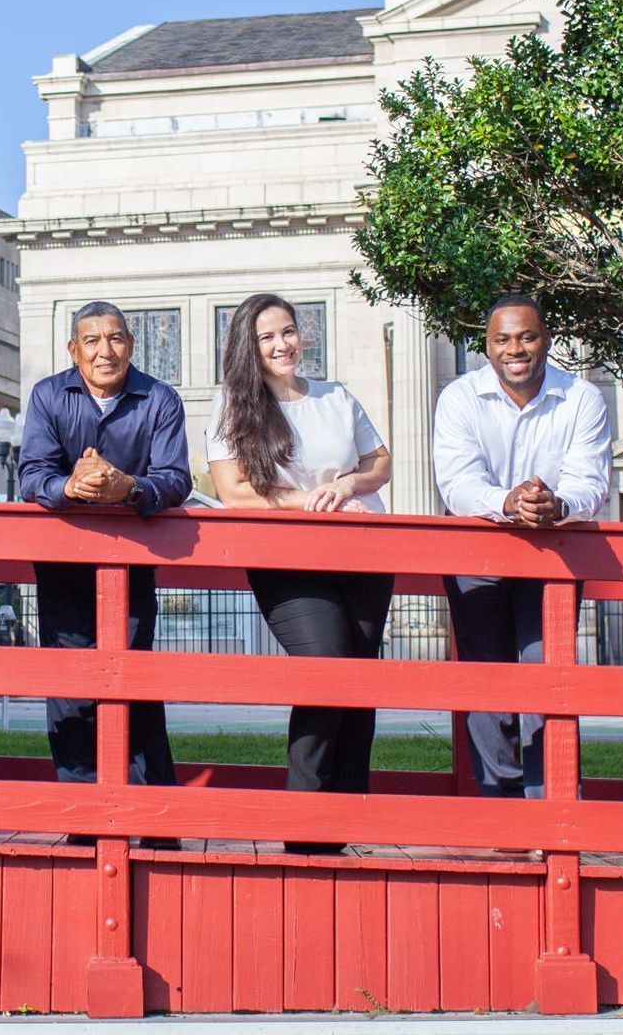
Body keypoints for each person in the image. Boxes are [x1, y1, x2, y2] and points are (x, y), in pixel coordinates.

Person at [206, 293, 393, 853]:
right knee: (326, 669)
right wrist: (307, 499)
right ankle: (305, 824)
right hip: (287, 560)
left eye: (288, 331)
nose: (283, 344)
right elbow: (234, 492)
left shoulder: (336, 396)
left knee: (359, 682)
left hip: (363, 552)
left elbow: (379, 461)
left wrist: (348, 486)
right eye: (267, 337)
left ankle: (348, 821)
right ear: (249, 345)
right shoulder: (232, 406)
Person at [18, 301, 191, 842]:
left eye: (115, 339)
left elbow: (176, 478)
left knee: (136, 681)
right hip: (63, 563)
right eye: (91, 341)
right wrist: (71, 486)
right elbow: (32, 473)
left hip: (134, 562)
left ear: (131, 344)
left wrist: (128, 487)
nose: (104, 350)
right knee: (70, 689)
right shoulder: (49, 395)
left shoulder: (159, 399)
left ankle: (155, 817)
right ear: (74, 350)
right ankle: (83, 817)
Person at [433, 294, 611, 799]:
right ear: (486, 348)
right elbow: (457, 485)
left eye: (527, 336)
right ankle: (503, 807)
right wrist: (509, 502)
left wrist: (557, 504)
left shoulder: (581, 398)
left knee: (546, 678)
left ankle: (549, 802)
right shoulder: (459, 398)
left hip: (552, 555)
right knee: (486, 681)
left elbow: (591, 483)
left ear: (546, 341)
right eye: (503, 339)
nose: (516, 348)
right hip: (477, 554)